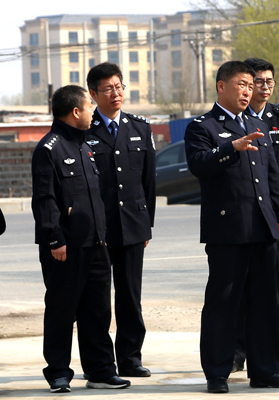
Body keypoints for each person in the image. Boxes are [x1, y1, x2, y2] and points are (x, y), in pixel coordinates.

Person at [184, 60, 279, 394]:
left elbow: (272, 175)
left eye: (251, 85)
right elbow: (198, 165)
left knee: (265, 302)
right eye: (241, 85)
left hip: (263, 229)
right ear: (222, 86)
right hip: (227, 230)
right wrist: (229, 148)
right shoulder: (202, 127)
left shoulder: (255, 123)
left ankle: (265, 370)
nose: (248, 91)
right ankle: (217, 372)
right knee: (223, 302)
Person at [31, 85, 131, 393]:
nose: (92, 112)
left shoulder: (86, 146)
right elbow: (45, 200)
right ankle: (59, 372)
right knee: (62, 311)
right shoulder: (50, 148)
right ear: (76, 112)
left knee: (98, 311)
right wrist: (54, 239)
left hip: (95, 245)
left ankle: (101, 371)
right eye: (89, 107)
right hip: (65, 247)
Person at [231, 57, 279, 373]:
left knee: (275, 283)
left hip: (275, 219)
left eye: (268, 82)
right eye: (257, 81)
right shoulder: (234, 118)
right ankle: (238, 350)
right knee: (240, 285)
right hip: (243, 218)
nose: (263, 87)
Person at [85, 62, 156, 378]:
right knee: (96, 300)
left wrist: (146, 225)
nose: (115, 94)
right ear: (93, 94)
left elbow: (148, 182)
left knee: (130, 296)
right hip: (96, 230)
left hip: (132, 226)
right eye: (107, 89)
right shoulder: (83, 129)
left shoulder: (140, 127)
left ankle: (130, 358)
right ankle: (100, 363)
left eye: (119, 87)